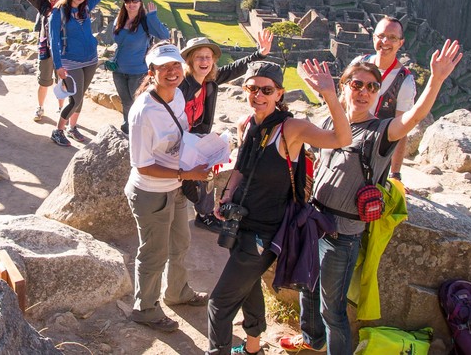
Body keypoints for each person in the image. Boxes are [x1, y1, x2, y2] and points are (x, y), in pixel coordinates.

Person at [280, 39, 463, 355]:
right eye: (357, 84)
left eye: (371, 87)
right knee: (306, 291)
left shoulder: (381, 131)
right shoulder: (329, 119)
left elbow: (415, 117)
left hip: (342, 234)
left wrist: (437, 79)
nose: (363, 91)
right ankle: (312, 343)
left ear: (377, 93)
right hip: (313, 223)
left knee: (332, 309)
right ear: (345, 86)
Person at [207, 60, 352, 355]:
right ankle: (252, 348)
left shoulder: (291, 129)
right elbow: (242, 168)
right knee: (247, 287)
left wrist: (330, 95)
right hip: (241, 222)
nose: (257, 95)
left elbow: (342, 139)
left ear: (279, 94)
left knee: (219, 303)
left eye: (266, 89)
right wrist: (227, 195)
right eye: (251, 88)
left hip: (266, 233)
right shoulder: (247, 125)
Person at [126, 42, 213, 332]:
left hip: (174, 186)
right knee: (153, 252)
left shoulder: (176, 96)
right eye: (164, 67)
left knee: (180, 243)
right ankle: (145, 308)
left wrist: (203, 152)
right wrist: (186, 172)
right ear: (152, 73)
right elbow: (142, 165)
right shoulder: (143, 113)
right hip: (151, 192)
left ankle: (177, 292)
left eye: (175, 65)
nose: (172, 71)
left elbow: (181, 135)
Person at [179, 30, 273, 233]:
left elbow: (236, 68)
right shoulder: (181, 84)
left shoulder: (210, 80)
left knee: (210, 165)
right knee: (203, 170)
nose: (204, 61)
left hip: (196, 138)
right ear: (190, 61)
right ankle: (192, 191)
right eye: (199, 57)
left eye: (208, 57)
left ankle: (203, 213)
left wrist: (260, 53)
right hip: (177, 140)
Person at [49, 0, 124, 146]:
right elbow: (53, 40)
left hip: (90, 59)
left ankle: (73, 128)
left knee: (80, 95)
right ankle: (58, 130)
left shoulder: (87, 6)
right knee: (74, 99)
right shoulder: (58, 12)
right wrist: (58, 65)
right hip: (70, 61)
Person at [350, 16, 417, 182]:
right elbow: (343, 104)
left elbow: (402, 129)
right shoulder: (359, 64)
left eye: (392, 38)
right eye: (381, 36)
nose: (385, 41)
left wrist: (395, 174)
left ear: (400, 43)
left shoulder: (404, 81)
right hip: (348, 141)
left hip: (376, 154)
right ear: (374, 38)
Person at [9, 0, 66, 122]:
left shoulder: (66, 7)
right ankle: (40, 107)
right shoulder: (43, 5)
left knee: (61, 81)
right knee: (44, 81)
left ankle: (62, 109)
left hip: (62, 50)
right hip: (46, 50)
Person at [109, 0, 170, 134]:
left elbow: (164, 35)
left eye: (134, 0)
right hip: (119, 70)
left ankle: (140, 132)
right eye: (127, 1)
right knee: (126, 102)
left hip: (138, 71)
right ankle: (127, 128)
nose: (131, 4)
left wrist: (153, 16)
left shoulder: (145, 22)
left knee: (138, 104)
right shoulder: (119, 20)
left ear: (140, 2)